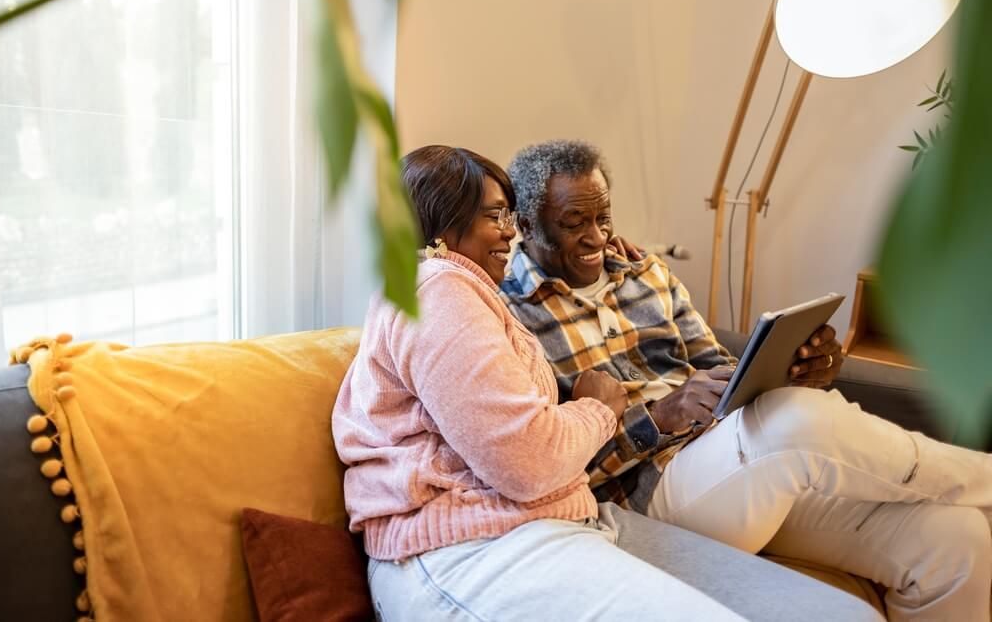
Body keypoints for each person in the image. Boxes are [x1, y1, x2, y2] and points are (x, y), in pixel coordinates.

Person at [332, 145, 882, 621]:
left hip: (565, 522)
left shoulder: (462, 295)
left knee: (838, 614)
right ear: (439, 224)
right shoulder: (437, 290)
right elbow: (527, 461)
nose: (509, 232)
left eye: (509, 215)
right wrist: (599, 408)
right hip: (469, 548)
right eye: (496, 216)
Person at [500, 138, 992, 622]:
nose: (597, 237)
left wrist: (796, 370)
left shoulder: (644, 272)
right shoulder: (508, 317)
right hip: (651, 494)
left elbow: (718, 365)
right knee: (793, 422)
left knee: (957, 541)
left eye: (603, 217)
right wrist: (660, 416)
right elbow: (547, 465)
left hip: (734, 467)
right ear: (525, 224)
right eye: (573, 223)